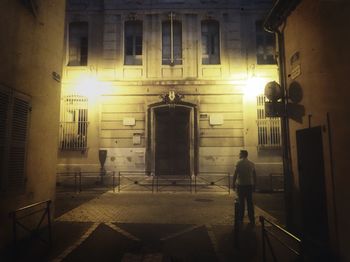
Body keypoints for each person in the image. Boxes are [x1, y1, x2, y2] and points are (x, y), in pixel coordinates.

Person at [232, 150, 257, 225]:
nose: (239, 154)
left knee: (241, 203)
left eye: (240, 153)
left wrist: (233, 183)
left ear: (243, 154)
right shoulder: (252, 164)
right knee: (250, 203)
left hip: (241, 186)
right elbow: (254, 175)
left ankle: (240, 219)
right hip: (249, 185)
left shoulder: (238, 163)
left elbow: (235, 174)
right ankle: (252, 220)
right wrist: (255, 185)